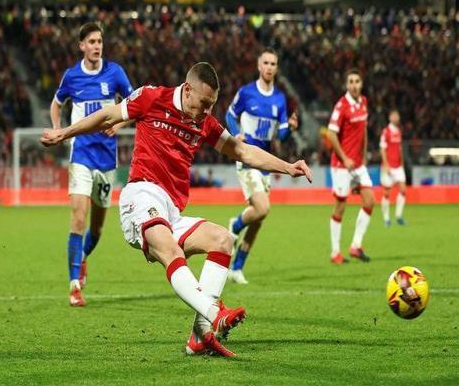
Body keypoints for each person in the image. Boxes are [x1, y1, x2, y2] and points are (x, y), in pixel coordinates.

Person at [41, 62, 312, 356]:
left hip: (170, 211)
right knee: (171, 250)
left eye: (212, 104)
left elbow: (242, 150)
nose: (207, 111)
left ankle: (199, 337)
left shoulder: (205, 123)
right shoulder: (151, 97)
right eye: (204, 103)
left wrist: (288, 167)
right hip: (140, 196)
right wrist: (64, 133)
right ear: (187, 90)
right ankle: (214, 314)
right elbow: (108, 115)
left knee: (222, 239)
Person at [50, 22, 133, 307]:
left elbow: (135, 104)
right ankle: (74, 285)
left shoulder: (115, 73)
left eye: (100, 41)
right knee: (78, 218)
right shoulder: (72, 76)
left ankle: (83, 256)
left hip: (107, 159)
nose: (97, 46)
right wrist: (58, 129)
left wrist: (119, 125)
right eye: (92, 42)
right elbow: (56, 103)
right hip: (81, 155)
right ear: (82, 46)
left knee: (96, 230)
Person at [225, 47, 298, 284]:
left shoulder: (280, 99)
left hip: (265, 161)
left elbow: (282, 135)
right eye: (265, 63)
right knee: (263, 208)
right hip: (247, 158)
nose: (269, 67)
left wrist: (290, 128)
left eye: (273, 64)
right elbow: (229, 115)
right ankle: (235, 225)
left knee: (258, 220)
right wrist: (236, 133)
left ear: (277, 68)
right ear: (259, 66)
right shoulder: (246, 92)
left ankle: (237, 268)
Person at [327, 68, 374, 264]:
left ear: (361, 84)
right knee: (340, 207)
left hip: (358, 164)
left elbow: (363, 131)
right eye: (351, 82)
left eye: (357, 81)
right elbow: (331, 134)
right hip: (341, 165)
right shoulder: (342, 106)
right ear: (347, 85)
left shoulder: (364, 102)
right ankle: (335, 253)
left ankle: (355, 246)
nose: (354, 85)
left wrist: (363, 155)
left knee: (370, 200)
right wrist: (345, 158)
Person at [380, 110, 407, 226]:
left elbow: (399, 148)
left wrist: (402, 163)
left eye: (397, 115)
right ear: (390, 117)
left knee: (403, 190)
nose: (396, 117)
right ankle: (386, 219)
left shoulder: (399, 131)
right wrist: (386, 165)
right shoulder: (386, 131)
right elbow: (382, 149)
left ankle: (398, 216)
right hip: (389, 166)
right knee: (387, 193)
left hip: (398, 166)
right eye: (394, 115)